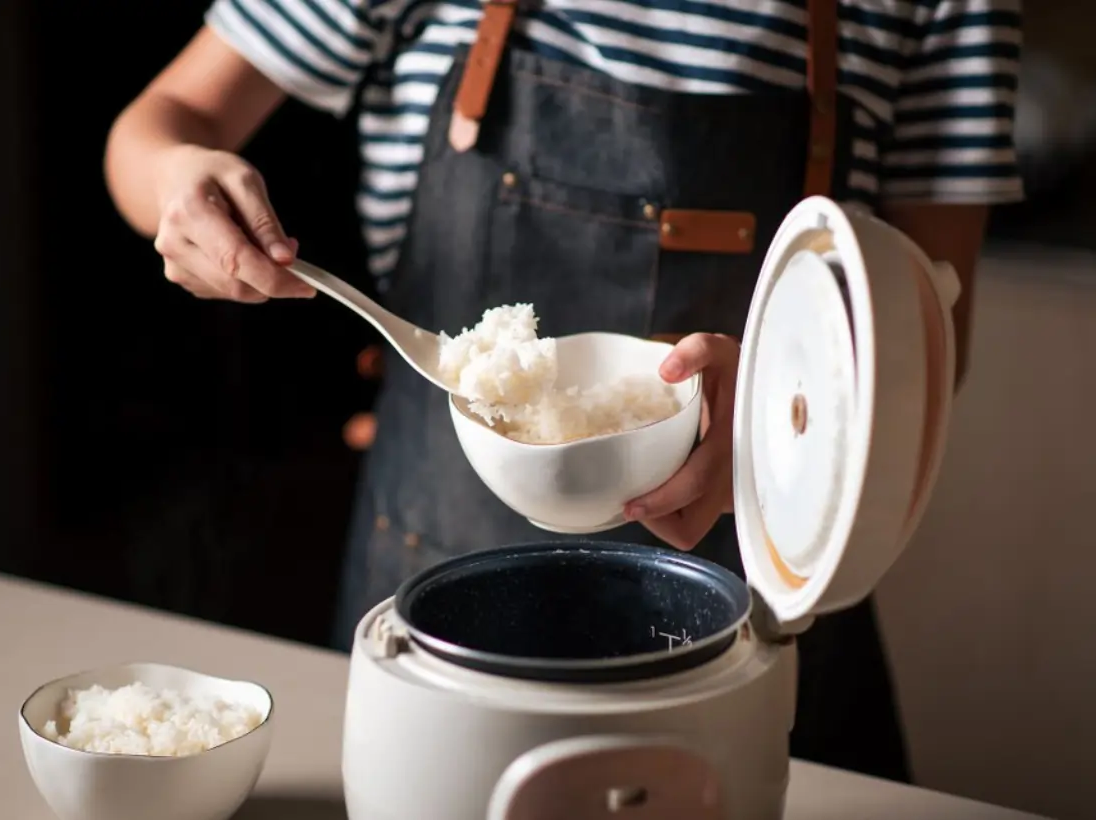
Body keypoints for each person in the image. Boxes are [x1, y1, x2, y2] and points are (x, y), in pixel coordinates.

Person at [104, 0, 1023, 783]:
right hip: (434, 604)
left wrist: (787, 398)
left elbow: (930, 336)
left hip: (754, 605)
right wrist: (177, 180)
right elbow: (158, 125)